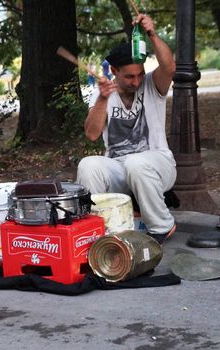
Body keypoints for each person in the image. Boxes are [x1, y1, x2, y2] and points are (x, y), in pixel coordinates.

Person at [76, 14, 177, 245]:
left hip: (158, 163)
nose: (137, 82)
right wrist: (102, 99)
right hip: (119, 168)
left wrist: (151, 33)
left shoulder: (152, 84)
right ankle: (97, 231)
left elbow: (169, 66)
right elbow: (92, 134)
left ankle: (162, 226)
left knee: (136, 163)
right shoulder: (103, 93)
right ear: (113, 70)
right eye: (129, 76)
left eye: (140, 74)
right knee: (88, 164)